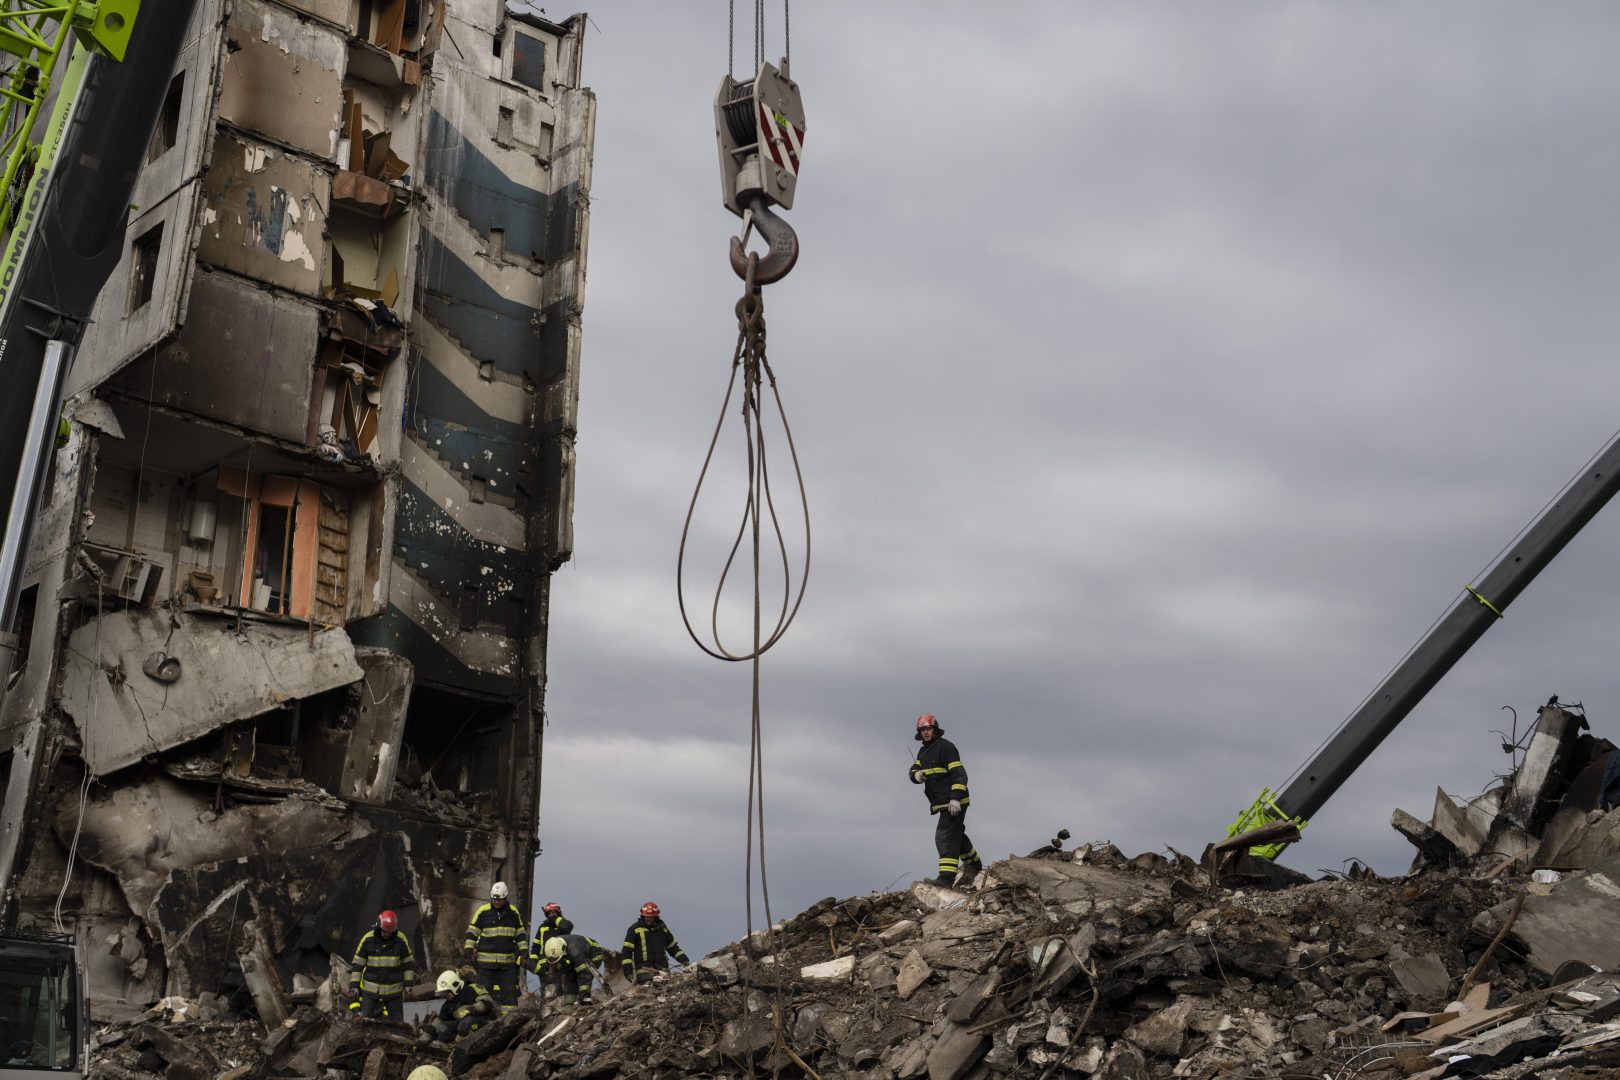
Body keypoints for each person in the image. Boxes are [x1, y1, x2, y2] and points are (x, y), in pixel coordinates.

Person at [909, 713, 982, 886]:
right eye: (922, 730)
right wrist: (916, 775)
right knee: (956, 835)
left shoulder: (946, 747)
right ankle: (975, 865)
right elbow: (913, 769)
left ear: (935, 730)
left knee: (944, 836)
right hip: (942, 803)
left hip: (954, 802)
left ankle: (946, 878)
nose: (925, 732)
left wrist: (955, 799)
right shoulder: (923, 751)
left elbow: (960, 775)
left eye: (928, 728)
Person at [462, 881, 529, 1013]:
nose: (496, 902)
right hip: (486, 964)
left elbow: (520, 934)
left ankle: (508, 1020)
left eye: (499, 899)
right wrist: (468, 948)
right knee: (483, 995)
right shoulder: (483, 911)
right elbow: (472, 931)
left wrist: (524, 951)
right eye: (494, 899)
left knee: (509, 997)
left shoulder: (513, 913)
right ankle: (484, 1020)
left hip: (507, 964)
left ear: (505, 898)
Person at [348, 909, 416, 1020]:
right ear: (378, 927)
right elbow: (357, 965)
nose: (387, 935)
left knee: (398, 1024)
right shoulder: (368, 939)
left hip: (394, 993)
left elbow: (408, 964)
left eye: (390, 933)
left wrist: (408, 985)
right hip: (371, 992)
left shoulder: (400, 940)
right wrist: (354, 986)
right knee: (364, 1021)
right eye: (384, 932)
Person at [417, 969, 495, 1046]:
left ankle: (460, 1047)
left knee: (466, 1022)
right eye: (443, 993)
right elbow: (436, 1024)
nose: (445, 995)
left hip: (485, 1023)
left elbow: (488, 1002)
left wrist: (471, 1009)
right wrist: (421, 1042)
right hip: (464, 1026)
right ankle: (457, 1045)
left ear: (454, 987)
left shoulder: (472, 989)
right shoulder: (448, 1004)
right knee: (442, 1028)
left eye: (446, 992)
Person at [621, 901, 689, 984]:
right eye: (646, 917)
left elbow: (673, 948)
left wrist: (684, 960)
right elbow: (626, 951)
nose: (649, 919)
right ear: (642, 916)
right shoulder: (634, 929)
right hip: (644, 973)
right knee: (649, 990)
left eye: (651, 917)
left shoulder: (663, 930)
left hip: (663, 970)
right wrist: (627, 971)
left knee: (666, 989)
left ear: (656, 917)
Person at [540, 933, 612, 1005]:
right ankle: (570, 1002)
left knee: (582, 973)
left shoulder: (575, 951)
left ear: (563, 950)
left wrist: (584, 996)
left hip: (594, 953)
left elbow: (585, 974)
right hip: (572, 955)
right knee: (569, 974)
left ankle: (586, 1000)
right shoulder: (551, 947)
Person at [527, 902, 575, 990]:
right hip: (544, 964)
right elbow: (536, 945)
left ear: (558, 913)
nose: (551, 915)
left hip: (559, 963)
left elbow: (567, 927)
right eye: (549, 913)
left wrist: (556, 920)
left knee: (558, 989)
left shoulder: (563, 926)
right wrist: (534, 960)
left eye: (554, 913)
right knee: (546, 990)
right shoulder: (542, 927)